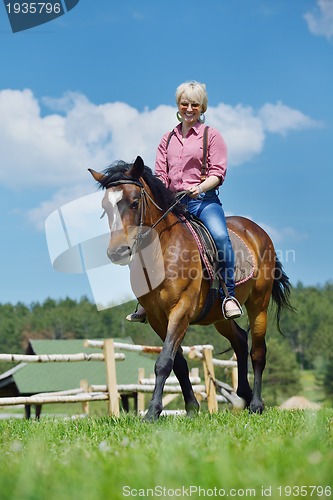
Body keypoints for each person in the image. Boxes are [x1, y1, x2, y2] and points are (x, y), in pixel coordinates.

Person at [126, 80, 242, 322]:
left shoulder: (212, 136)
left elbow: (218, 173)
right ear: (178, 105)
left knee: (220, 237)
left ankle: (229, 295)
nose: (189, 109)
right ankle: (145, 299)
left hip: (203, 201)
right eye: (185, 103)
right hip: (173, 203)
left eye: (195, 104)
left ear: (202, 108)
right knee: (145, 239)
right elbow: (160, 175)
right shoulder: (167, 139)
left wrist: (198, 188)